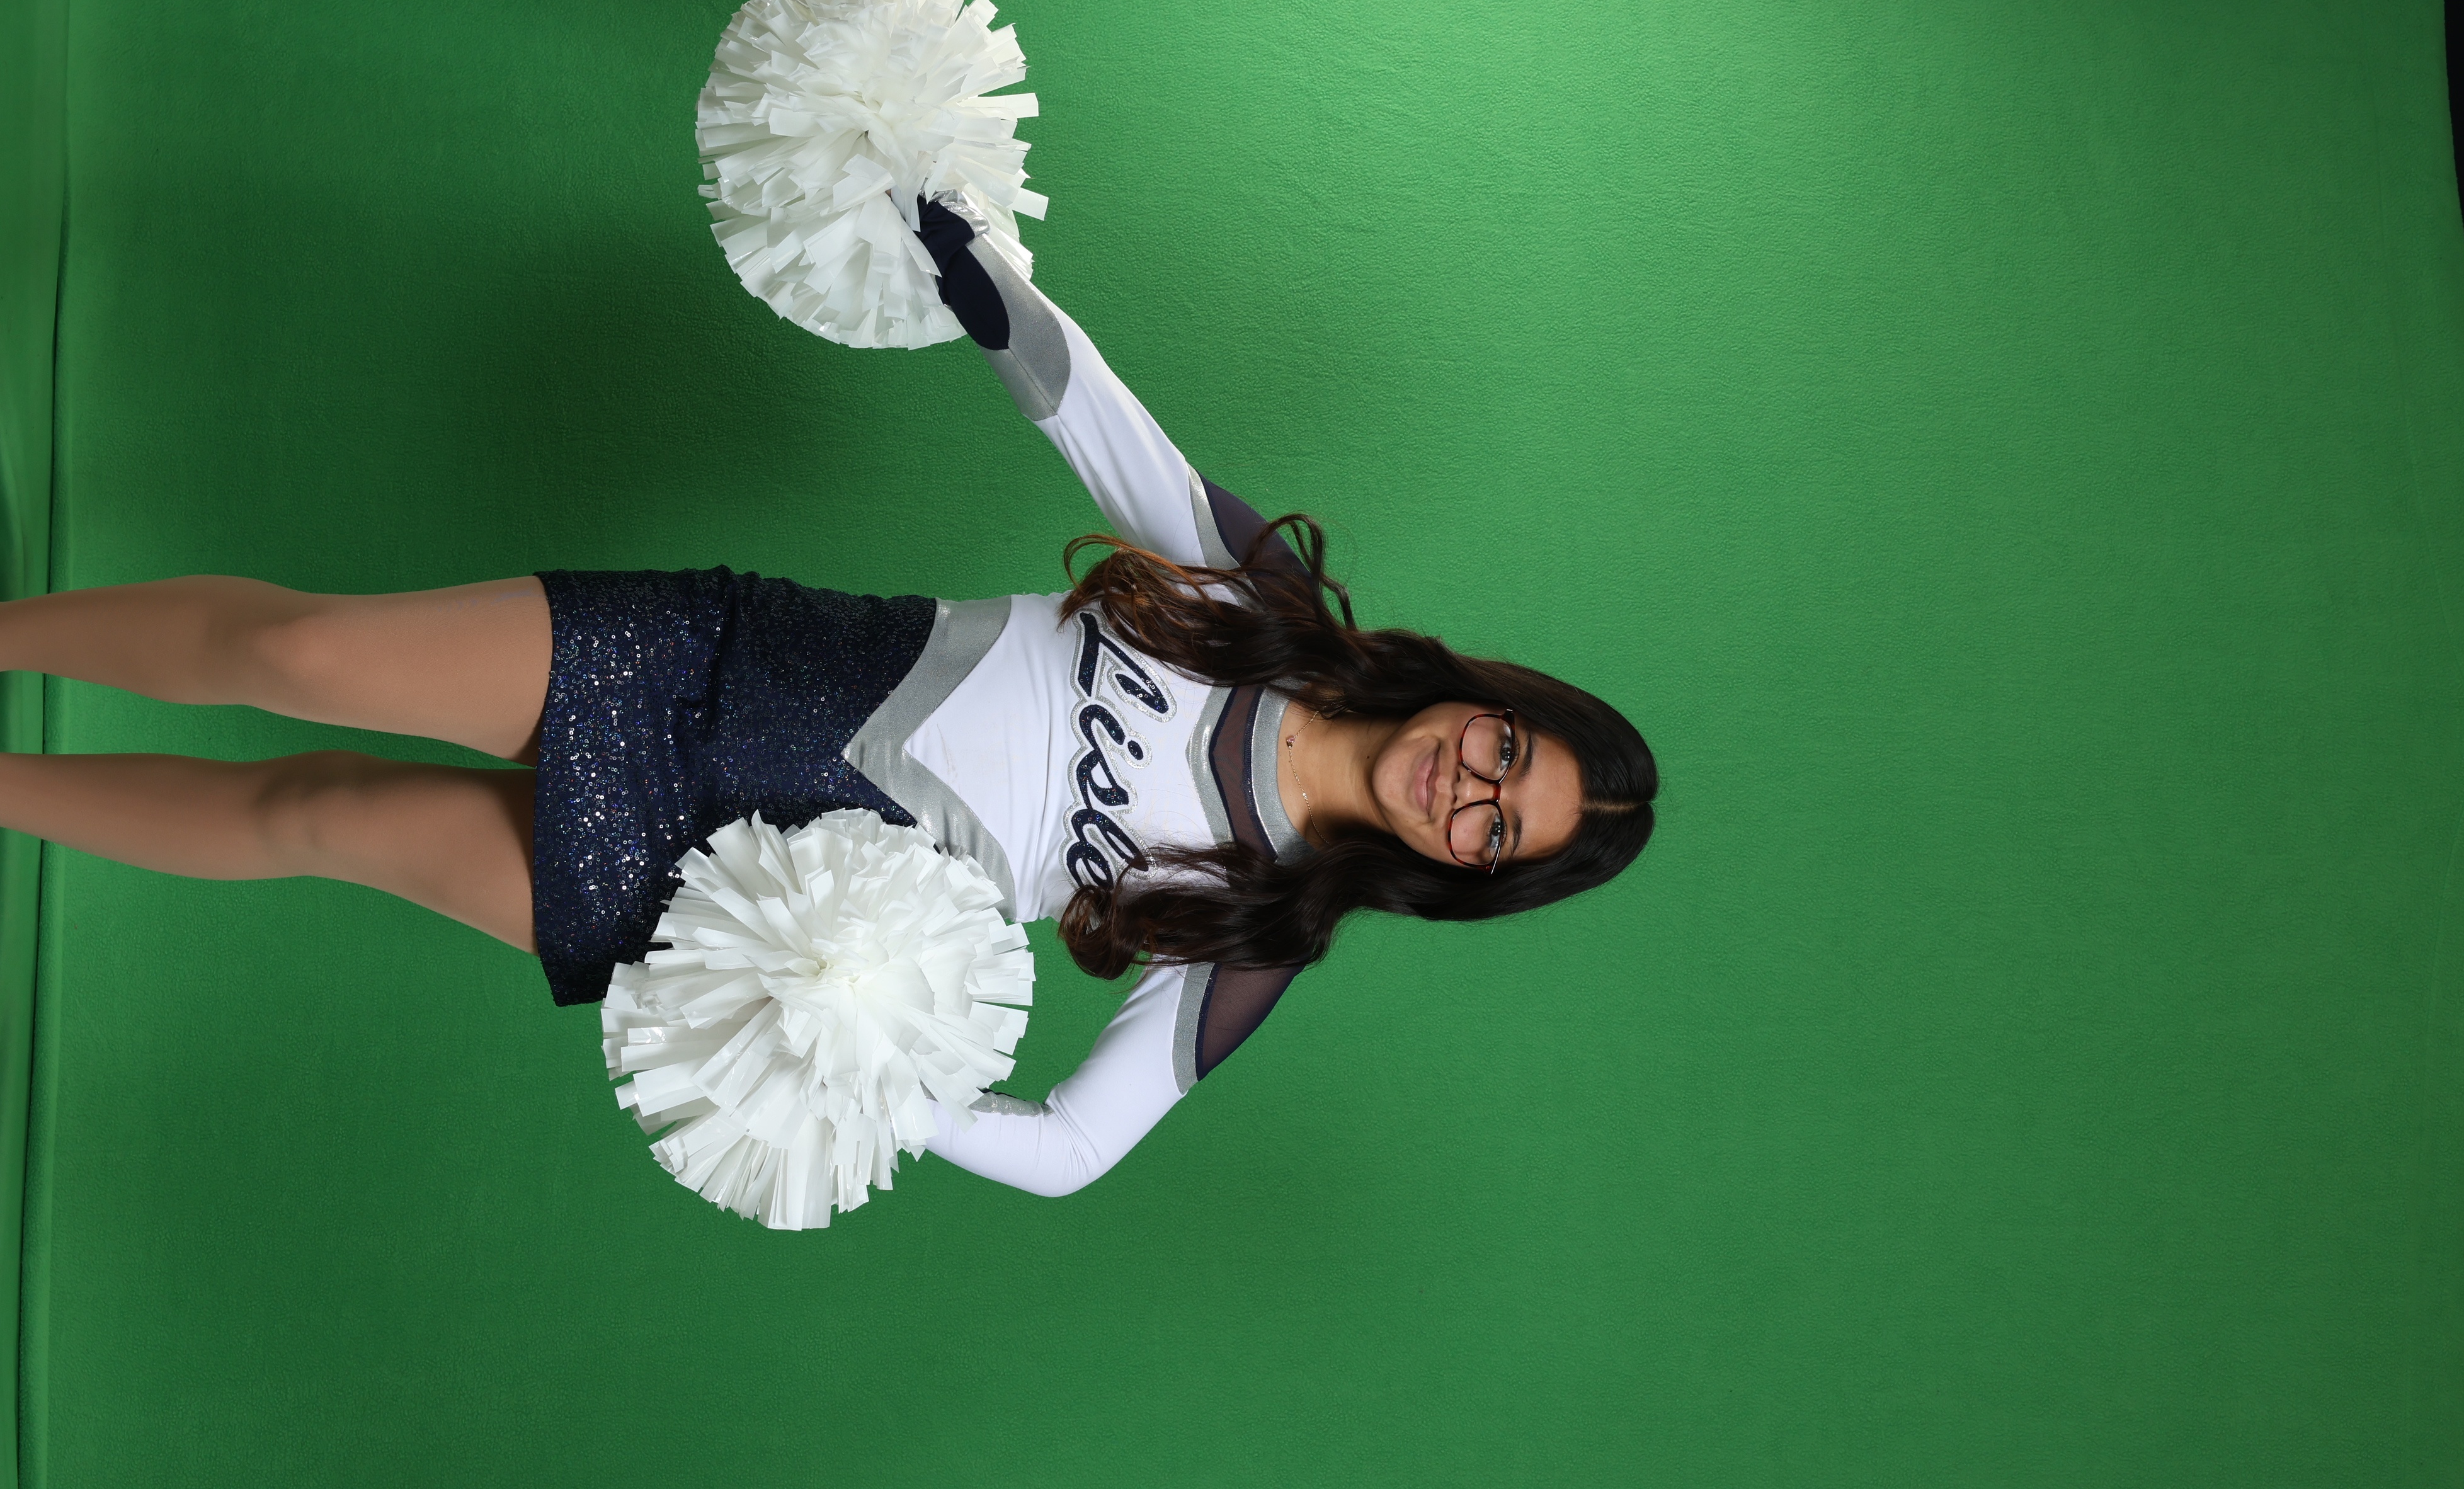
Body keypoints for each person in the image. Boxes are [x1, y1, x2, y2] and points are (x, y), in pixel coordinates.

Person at [0, 195, 1657, 1197]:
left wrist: (869, 1057)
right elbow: (1083, 403)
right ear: (1494, 699)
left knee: (322, 815)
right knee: (306, 656)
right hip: (730, 659)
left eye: (1497, 829)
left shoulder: (1258, 932)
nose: (1471, 787)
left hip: (730, 896)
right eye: (1508, 752)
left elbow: (1073, 1151)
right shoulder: (1263, 603)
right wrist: (952, 243)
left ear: (1470, 874)